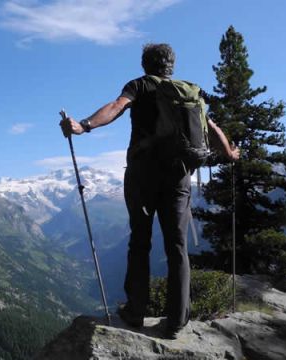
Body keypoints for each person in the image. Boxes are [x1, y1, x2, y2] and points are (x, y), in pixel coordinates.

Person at [60, 43, 239, 338]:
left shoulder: (139, 86)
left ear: (145, 64)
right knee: (177, 246)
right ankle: (177, 321)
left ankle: (135, 312)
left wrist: (84, 126)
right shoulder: (189, 94)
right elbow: (211, 126)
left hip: (143, 177)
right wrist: (230, 154)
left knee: (140, 242)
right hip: (179, 178)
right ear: (171, 65)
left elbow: (116, 106)